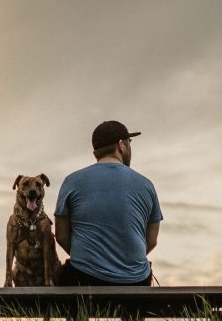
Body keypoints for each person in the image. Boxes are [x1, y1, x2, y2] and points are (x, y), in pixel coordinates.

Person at [54, 120, 163, 287]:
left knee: (61, 274)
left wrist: (92, 259)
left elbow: (61, 236)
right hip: (135, 283)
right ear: (121, 145)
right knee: (142, 270)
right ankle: (133, 314)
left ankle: (80, 314)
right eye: (129, 143)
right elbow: (152, 240)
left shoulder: (71, 181)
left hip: (83, 279)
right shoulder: (146, 185)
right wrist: (122, 263)